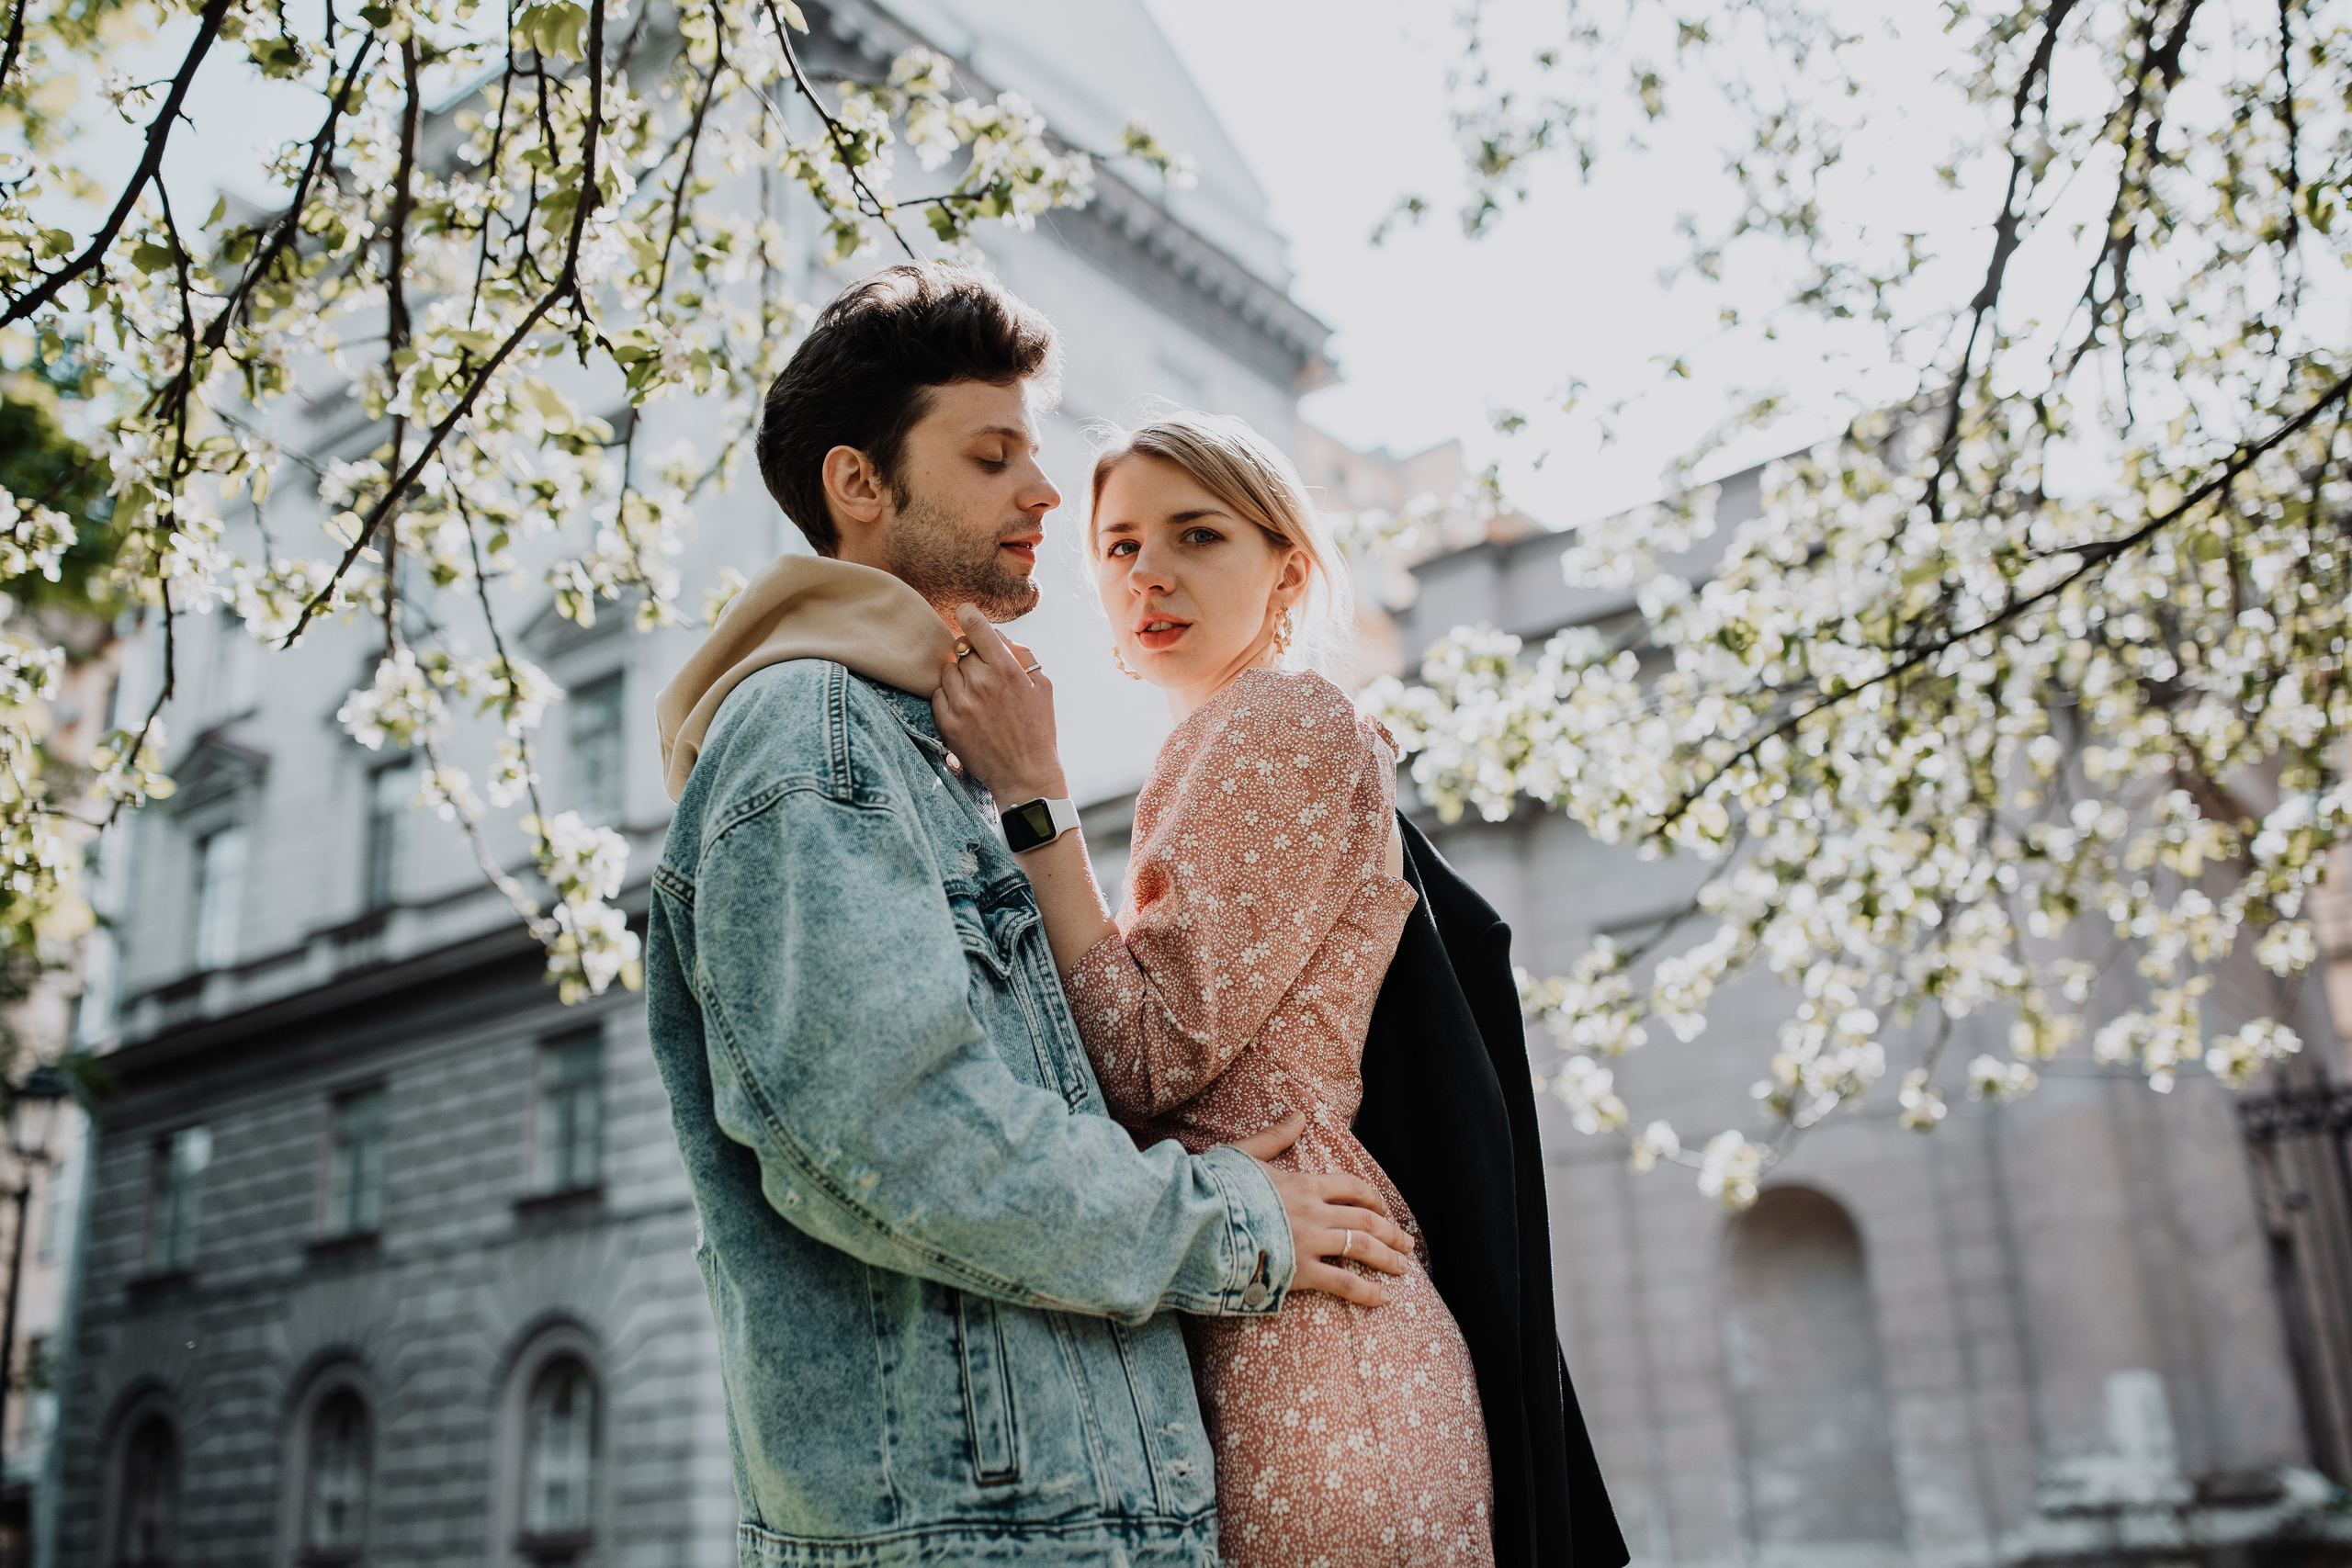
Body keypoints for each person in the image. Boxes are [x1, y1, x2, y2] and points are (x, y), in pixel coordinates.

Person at [646, 265, 1417, 1567]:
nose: (1045, 496)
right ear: (860, 485)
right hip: (984, 1532)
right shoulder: (812, 736)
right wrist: (1234, 1222)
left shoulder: (925, 748)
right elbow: (901, 1134)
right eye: (993, 454)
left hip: (1084, 1516)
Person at [933, 412, 1501, 1567]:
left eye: (1196, 536)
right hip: (1276, 1302)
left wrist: (1034, 799)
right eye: (1122, 547)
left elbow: (1147, 1057)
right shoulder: (1224, 742)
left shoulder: (1277, 721)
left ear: (1285, 568)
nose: (1151, 574)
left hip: (1308, 1344)